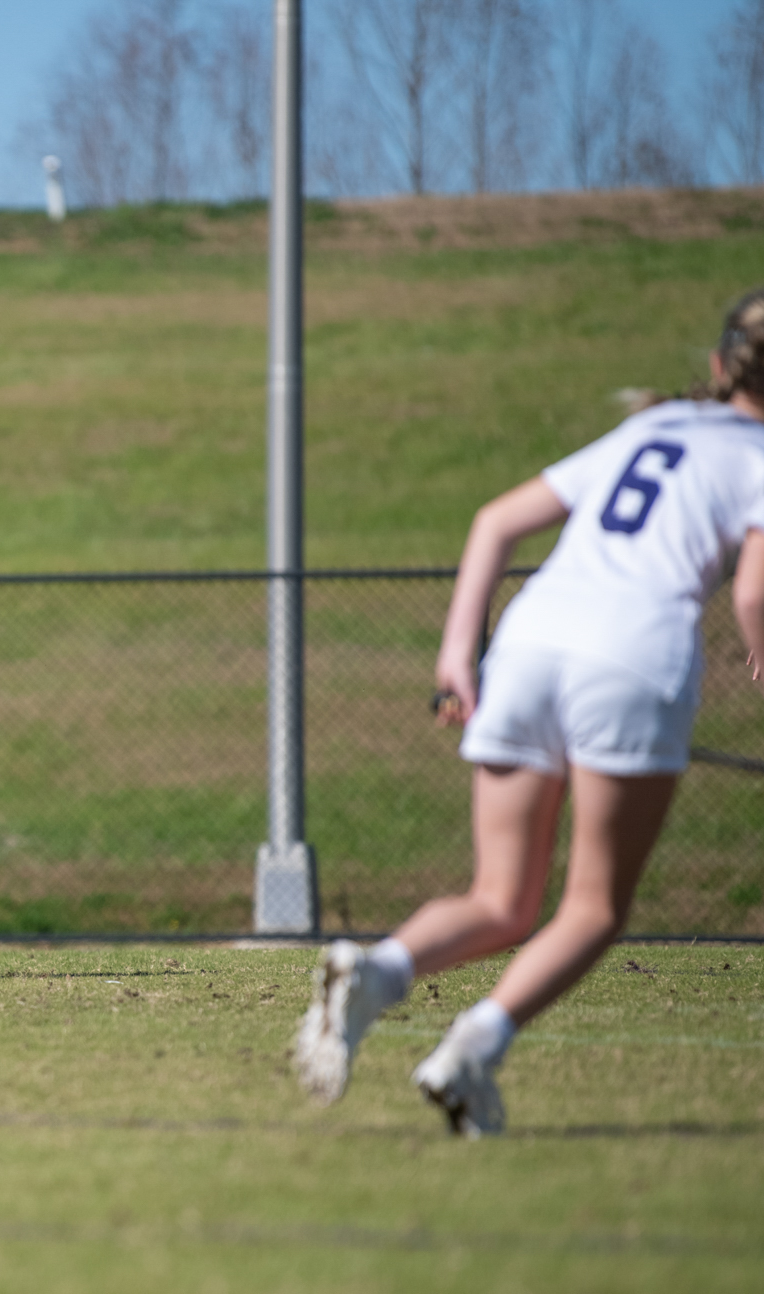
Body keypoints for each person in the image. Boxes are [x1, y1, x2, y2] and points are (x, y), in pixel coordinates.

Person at [293, 288, 764, 1136]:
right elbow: (756, 590)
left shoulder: (651, 429)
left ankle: (378, 971)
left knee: (503, 900)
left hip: (529, 637)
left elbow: (495, 521)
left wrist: (456, 655)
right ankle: (471, 1046)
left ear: (720, 364)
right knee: (592, 909)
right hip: (633, 656)